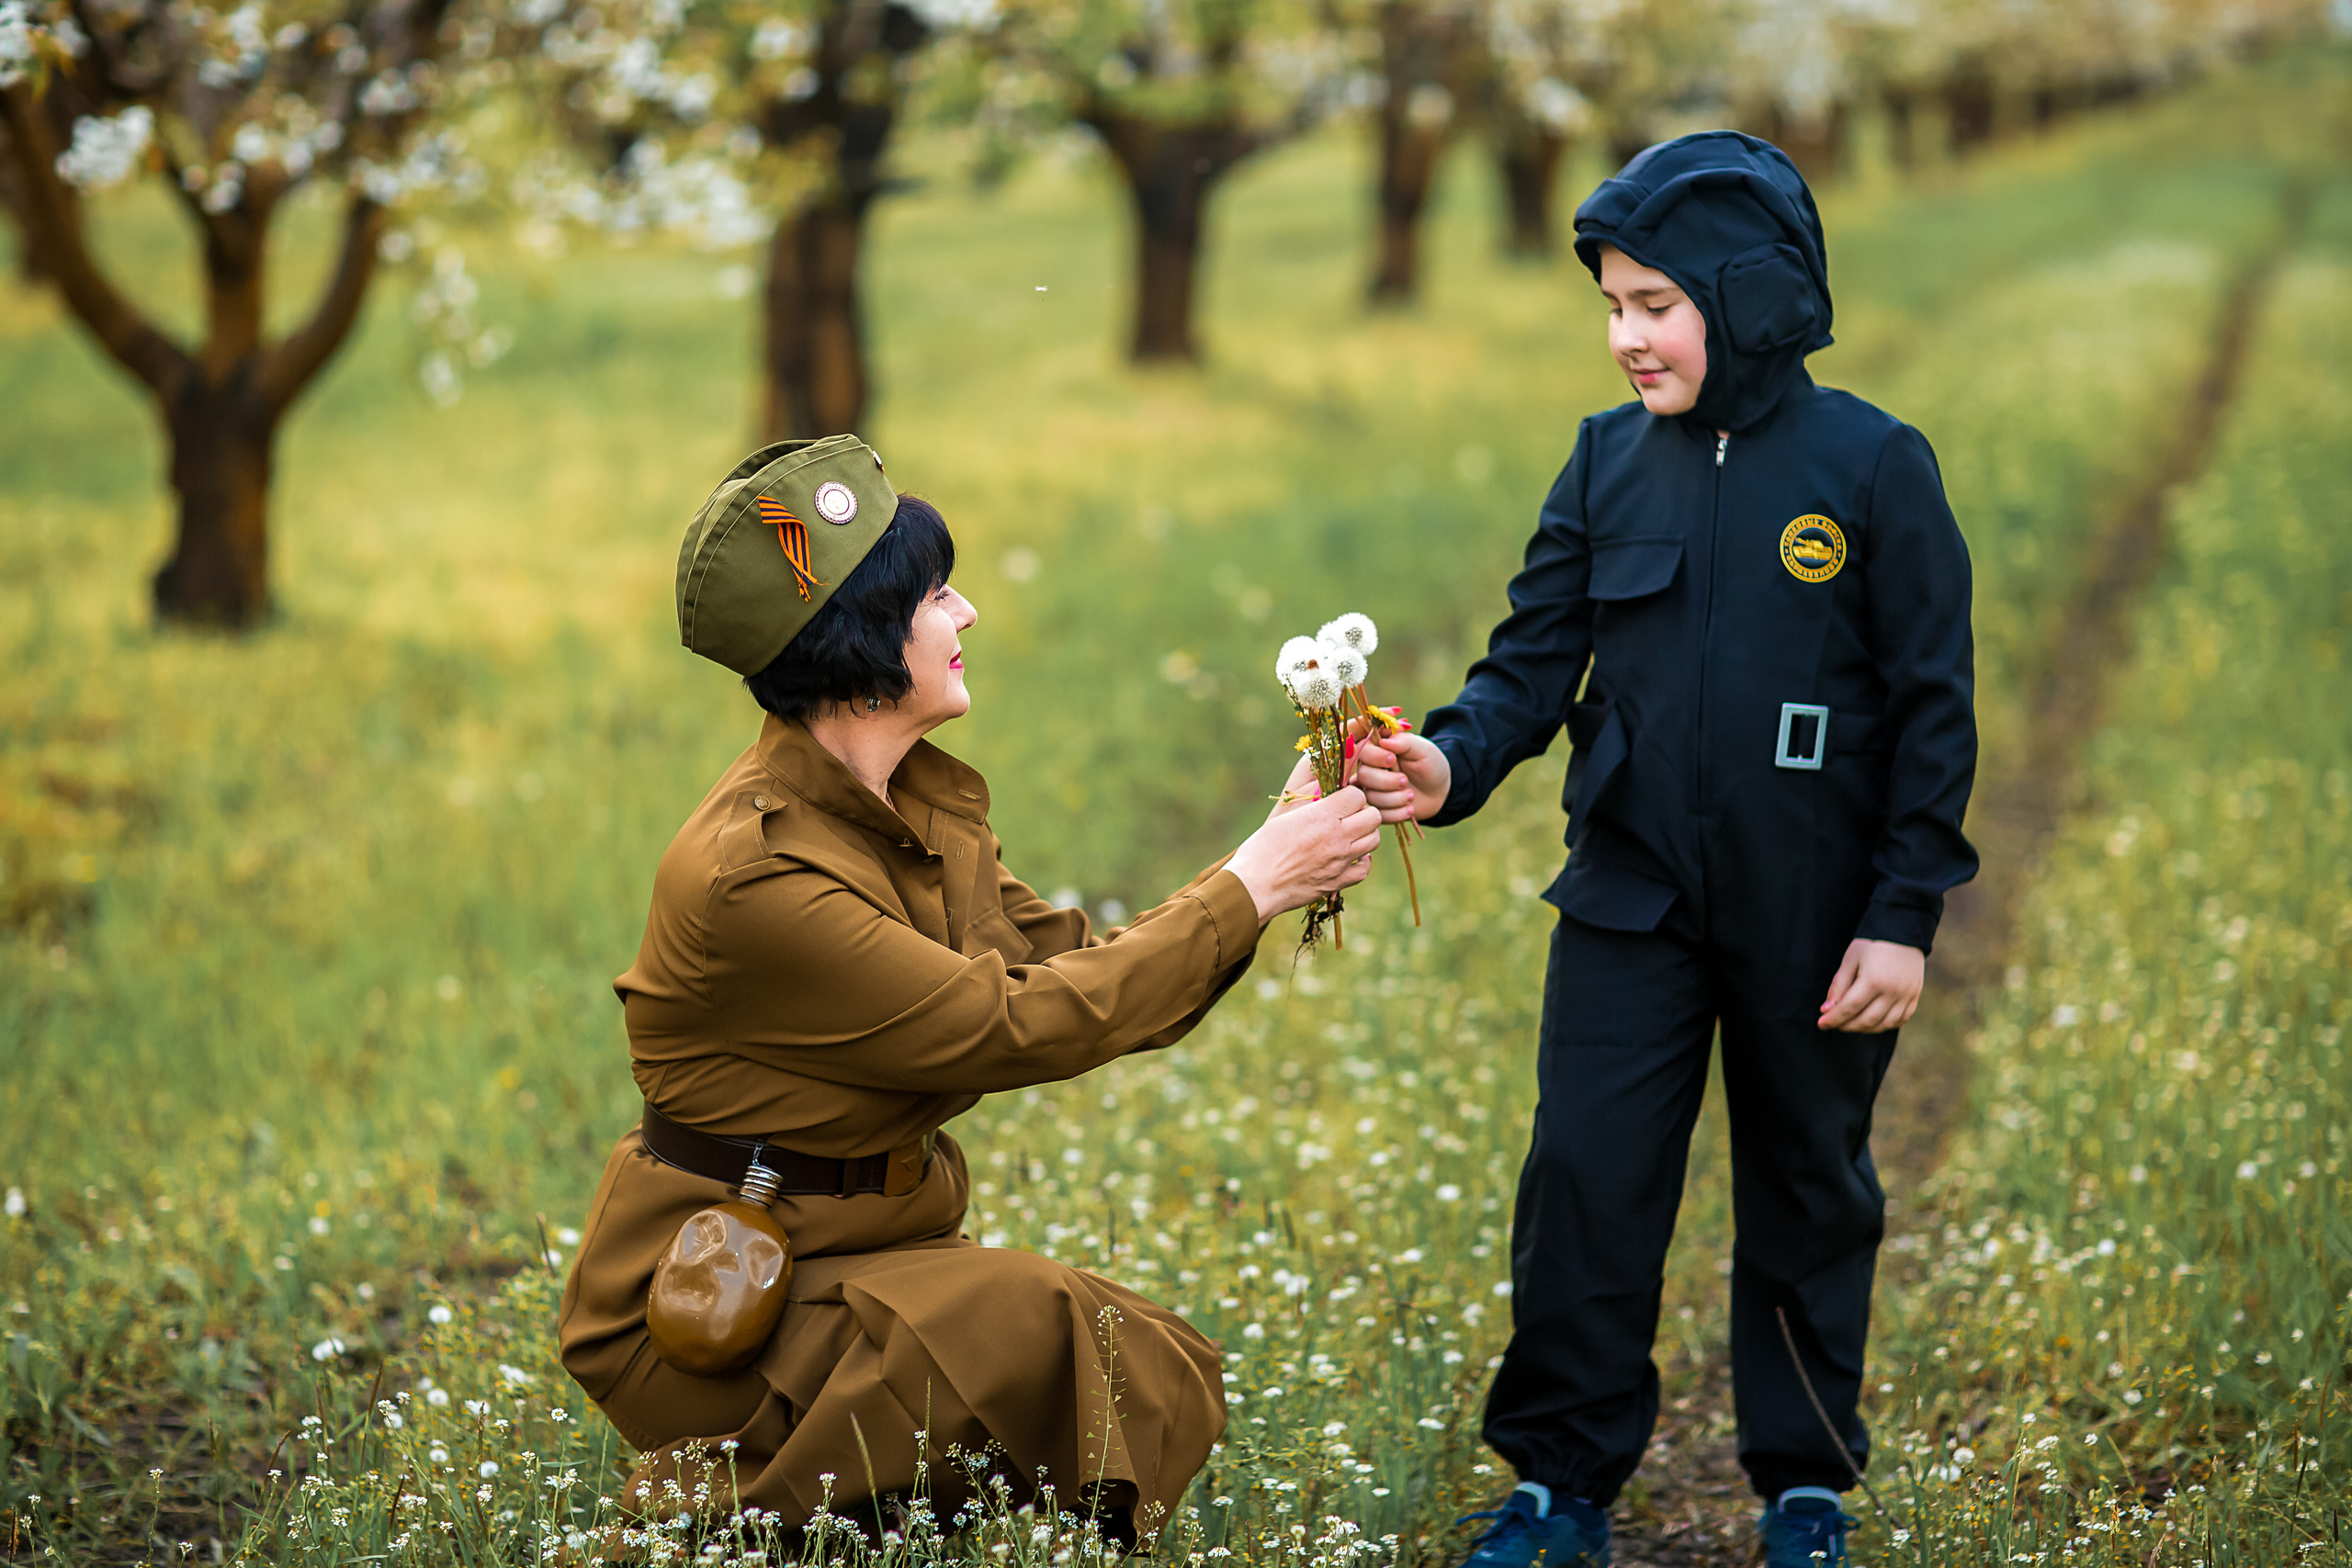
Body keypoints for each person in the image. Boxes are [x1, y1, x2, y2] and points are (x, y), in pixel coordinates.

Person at [559, 434, 1382, 1543]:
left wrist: (1270, 858)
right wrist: (1252, 883)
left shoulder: (897, 808)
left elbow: (1074, 965)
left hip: (852, 1250)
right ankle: (715, 1511)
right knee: (1050, 1330)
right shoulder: (756, 874)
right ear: (859, 636)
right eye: (939, 593)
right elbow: (1012, 1026)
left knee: (1120, 1350)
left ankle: (853, 1517)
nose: (970, 613)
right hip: (719, 1302)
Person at [1352, 133, 1977, 1568]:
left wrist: (1904, 911)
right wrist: (1448, 761)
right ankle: (1561, 1485)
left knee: (1809, 1181)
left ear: (1749, 298)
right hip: (1630, 891)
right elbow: (1529, 662)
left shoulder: (1873, 465)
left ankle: (1803, 1482)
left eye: (1655, 304)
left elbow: (1936, 711)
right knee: (1585, 1172)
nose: (1627, 337)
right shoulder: (1601, 459)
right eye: (1612, 309)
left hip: (1816, 906)